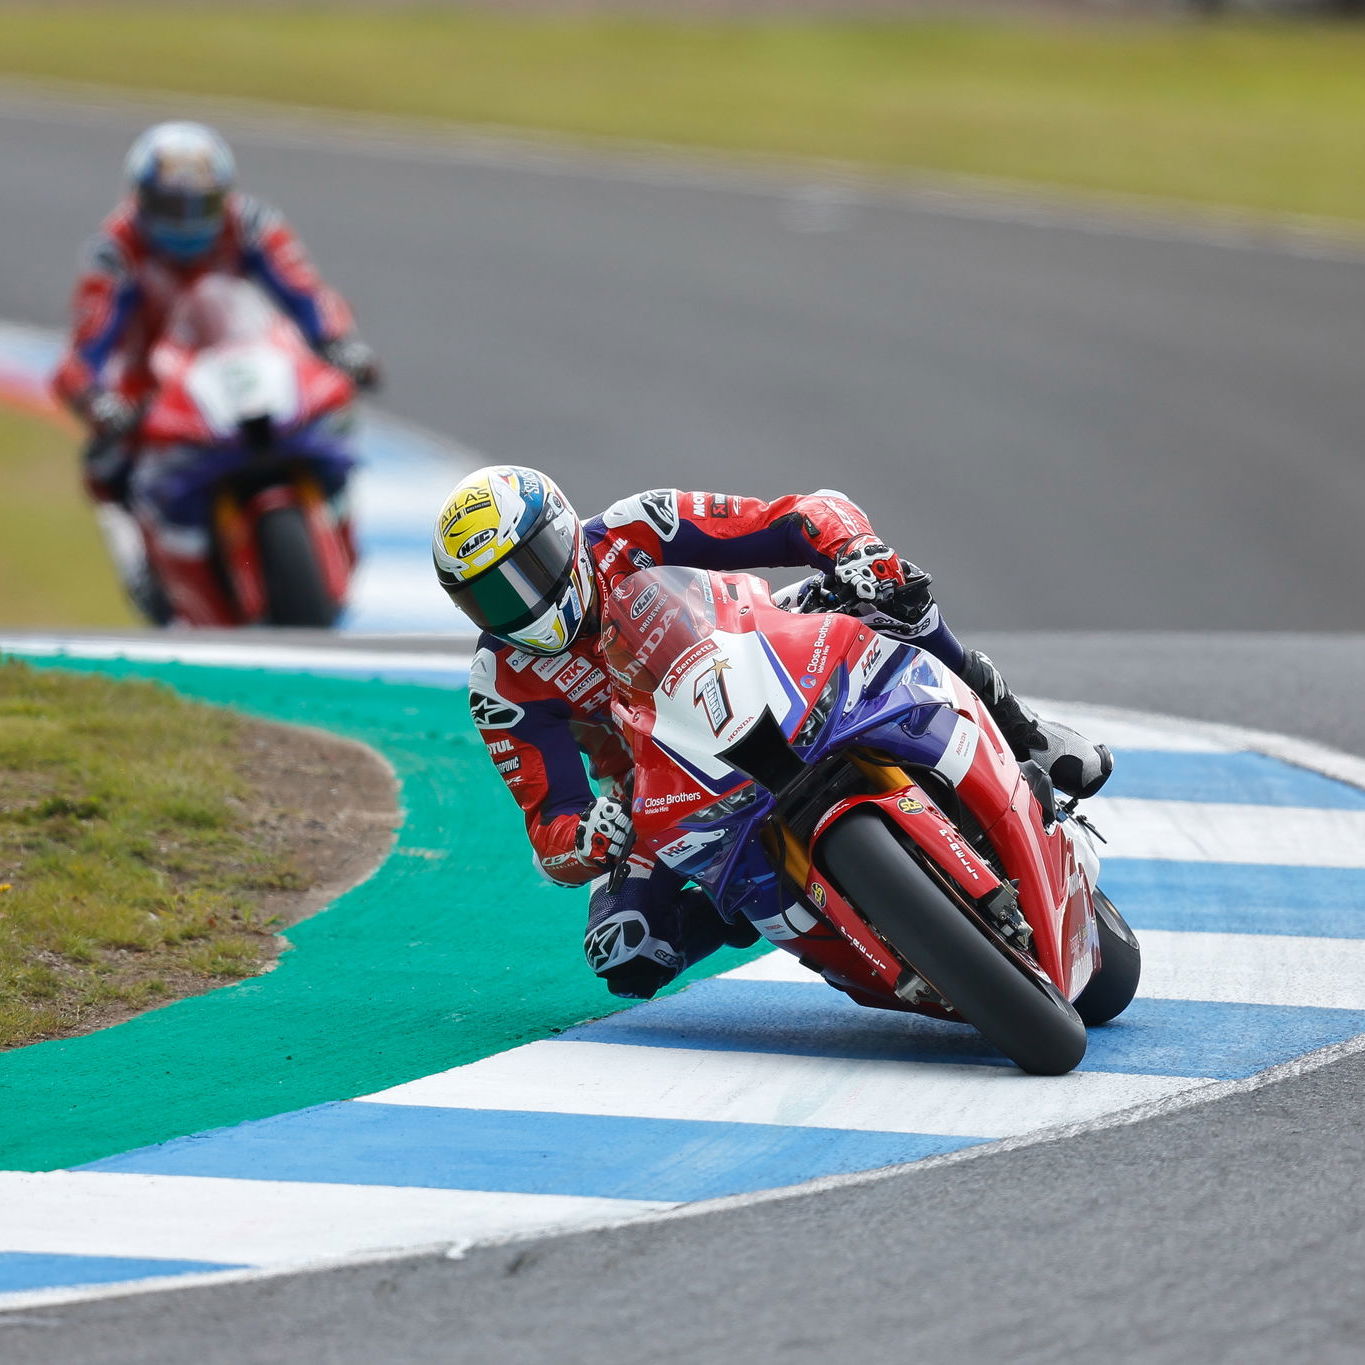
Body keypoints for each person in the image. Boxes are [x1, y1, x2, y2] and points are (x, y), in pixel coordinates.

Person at [433, 466, 1111, 1001]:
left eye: (529, 569)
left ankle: (1018, 730)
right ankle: (765, 909)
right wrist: (589, 835)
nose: (522, 603)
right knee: (626, 949)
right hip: (663, 781)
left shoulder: (637, 526)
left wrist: (852, 550)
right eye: (491, 595)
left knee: (890, 593)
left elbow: (794, 515)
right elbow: (548, 823)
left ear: (562, 534)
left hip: (759, 651)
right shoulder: (502, 682)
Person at [51, 121, 380, 615]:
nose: (185, 224)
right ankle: (142, 564)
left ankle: (338, 525)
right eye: (169, 208)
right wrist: (96, 398)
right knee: (105, 465)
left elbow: (306, 293)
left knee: (333, 416)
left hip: (248, 361)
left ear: (223, 198)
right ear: (141, 200)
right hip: (156, 388)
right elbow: (86, 347)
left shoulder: (250, 224)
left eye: (199, 207)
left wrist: (339, 343)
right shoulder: (115, 252)